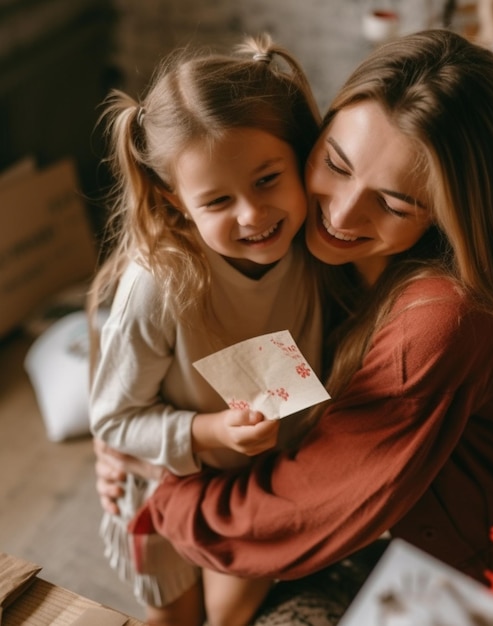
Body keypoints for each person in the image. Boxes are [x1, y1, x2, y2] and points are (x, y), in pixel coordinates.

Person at [95, 28, 493, 621]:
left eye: (393, 203)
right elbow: (149, 304)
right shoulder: (291, 238)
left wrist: (165, 487)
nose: (338, 213)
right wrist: (137, 433)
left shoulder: (439, 322)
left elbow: (305, 505)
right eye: (335, 163)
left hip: (455, 570)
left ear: (452, 214)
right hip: (354, 514)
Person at [87, 34, 323, 626]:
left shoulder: (319, 248)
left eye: (268, 179)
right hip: (163, 487)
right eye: (217, 200)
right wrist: (212, 431)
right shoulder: (159, 286)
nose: (252, 215)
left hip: (261, 489)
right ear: (177, 205)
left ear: (302, 157)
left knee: (232, 616)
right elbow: (114, 420)